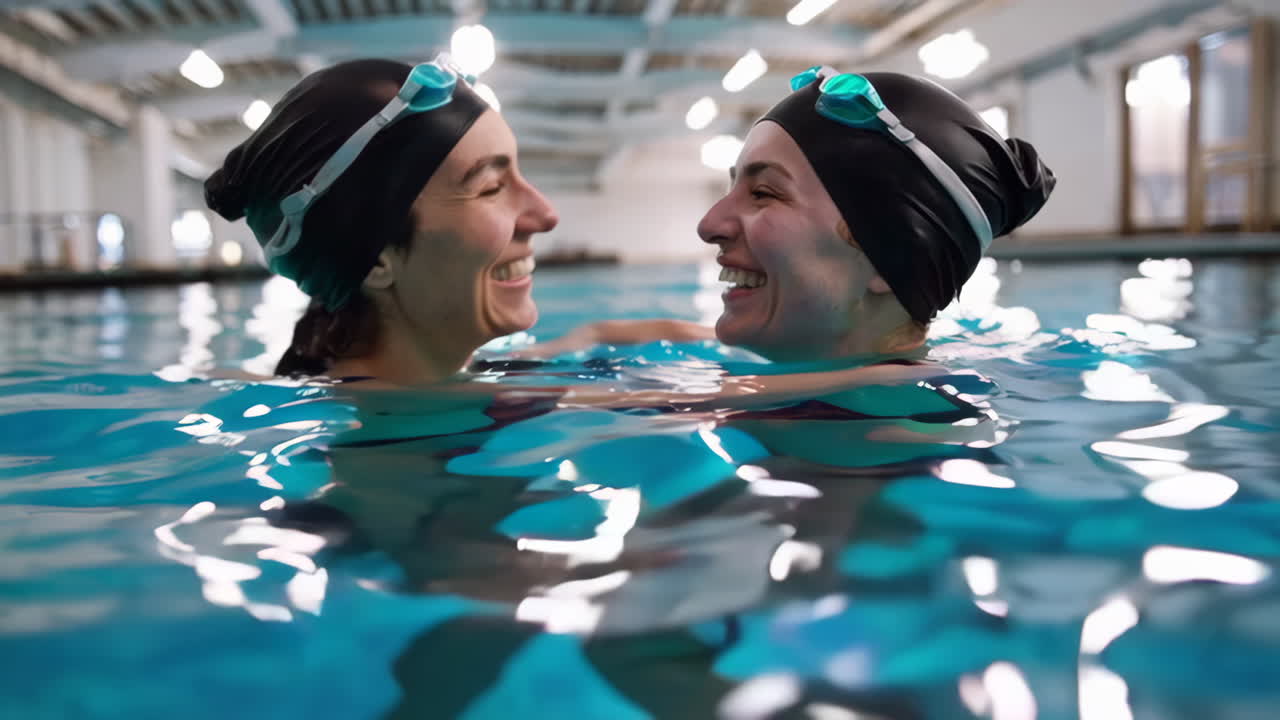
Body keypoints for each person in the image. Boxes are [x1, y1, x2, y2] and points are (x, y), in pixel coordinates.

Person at [535, 67, 1055, 363]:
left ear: (884, 254)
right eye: (730, 186)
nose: (709, 223)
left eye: (763, 193)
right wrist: (573, 343)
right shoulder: (817, 366)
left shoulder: (897, 432)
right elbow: (642, 331)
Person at [204, 55, 558, 386]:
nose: (546, 215)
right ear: (374, 261)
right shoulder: (373, 438)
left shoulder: (466, 385)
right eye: (491, 188)